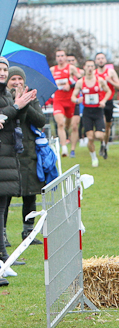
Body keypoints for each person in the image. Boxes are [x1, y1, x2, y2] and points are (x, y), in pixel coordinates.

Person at [0, 56, 37, 284]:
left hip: (8, 155)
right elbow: (4, 115)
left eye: (5, 69)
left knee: (2, 206)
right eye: (0, 69)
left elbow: (13, 119)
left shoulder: (6, 94)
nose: (3, 73)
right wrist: (14, 106)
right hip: (2, 155)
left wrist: (21, 104)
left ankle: (3, 258)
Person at [3, 66, 47, 248]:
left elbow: (41, 121)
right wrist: (16, 105)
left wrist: (25, 104)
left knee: (30, 195)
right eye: (13, 79)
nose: (17, 82)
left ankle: (28, 232)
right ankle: (2, 235)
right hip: (8, 152)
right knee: (6, 196)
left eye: (20, 79)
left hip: (28, 152)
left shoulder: (31, 98)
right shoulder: (4, 98)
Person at [71, 60, 111, 167]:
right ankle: (94, 158)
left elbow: (109, 91)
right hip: (87, 112)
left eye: (91, 66)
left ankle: (103, 144)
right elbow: (73, 96)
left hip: (98, 111)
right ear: (84, 67)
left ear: (94, 68)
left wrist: (103, 101)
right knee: (90, 137)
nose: (89, 68)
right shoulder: (80, 82)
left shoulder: (99, 80)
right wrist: (77, 100)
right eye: (88, 66)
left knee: (99, 135)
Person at [50, 49, 80, 157]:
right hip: (58, 100)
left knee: (69, 125)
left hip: (70, 100)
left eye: (62, 55)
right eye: (58, 56)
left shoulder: (71, 68)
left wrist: (70, 85)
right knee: (60, 123)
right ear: (56, 58)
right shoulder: (53, 70)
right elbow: (48, 82)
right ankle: (64, 148)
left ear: (65, 57)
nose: (60, 58)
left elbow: (81, 80)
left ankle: (70, 142)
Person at [94, 52, 119, 159]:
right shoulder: (94, 73)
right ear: (96, 61)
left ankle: (104, 145)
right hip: (98, 102)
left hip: (109, 101)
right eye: (98, 58)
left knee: (107, 126)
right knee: (101, 124)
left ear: (105, 60)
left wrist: (110, 81)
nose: (100, 60)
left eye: (102, 58)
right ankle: (102, 142)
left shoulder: (111, 72)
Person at [66, 53, 83, 157]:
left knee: (75, 126)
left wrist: (71, 85)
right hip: (64, 102)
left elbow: (84, 81)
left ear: (75, 61)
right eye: (69, 61)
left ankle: (72, 150)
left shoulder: (80, 73)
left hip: (75, 102)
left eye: (72, 60)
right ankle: (66, 138)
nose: (71, 62)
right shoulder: (63, 73)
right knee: (66, 125)